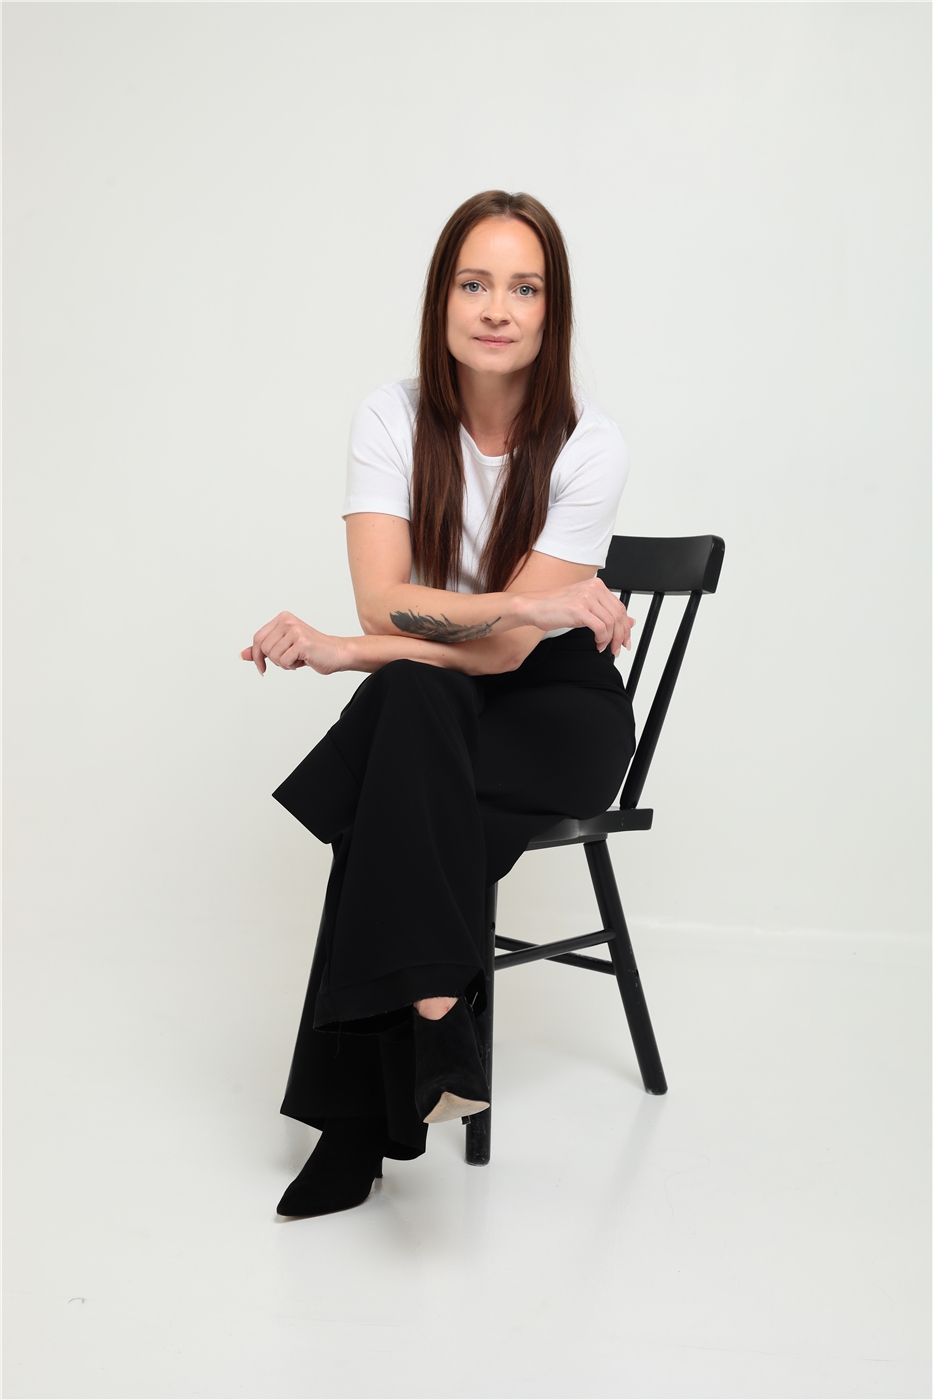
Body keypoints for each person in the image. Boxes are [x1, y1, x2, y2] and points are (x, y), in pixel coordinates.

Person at [242, 190, 637, 1220]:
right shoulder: (390, 416)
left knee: (393, 755)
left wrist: (347, 655)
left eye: (524, 288)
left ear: (551, 311)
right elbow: (387, 600)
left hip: (557, 709)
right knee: (410, 712)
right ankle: (436, 1015)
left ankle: (352, 1132)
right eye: (474, 283)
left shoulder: (591, 443)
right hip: (438, 698)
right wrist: (507, 601)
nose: (496, 308)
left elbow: (501, 652)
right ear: (442, 299)